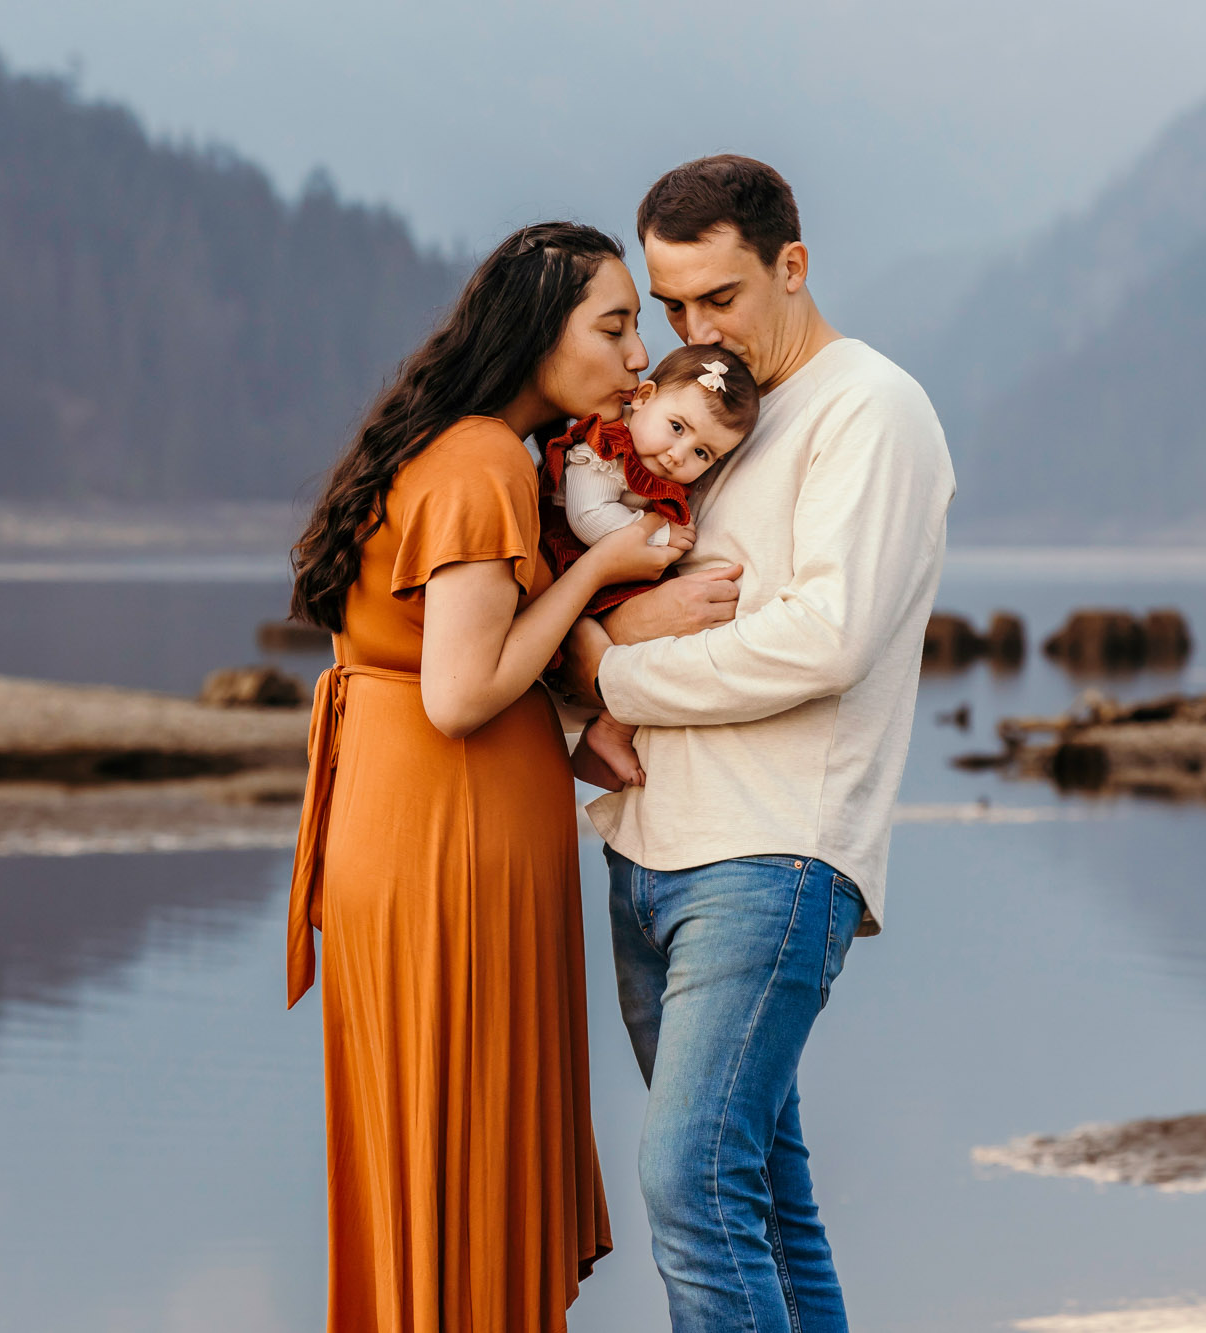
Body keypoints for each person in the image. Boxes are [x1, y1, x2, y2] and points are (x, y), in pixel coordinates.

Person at [562, 155, 955, 1331]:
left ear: (792, 265)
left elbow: (820, 641)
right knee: (761, 1195)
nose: (693, 332)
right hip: (652, 853)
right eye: (671, 306)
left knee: (687, 1179)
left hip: (770, 858)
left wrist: (609, 669)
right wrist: (596, 655)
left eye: (718, 298)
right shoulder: (720, 417)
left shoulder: (868, 407)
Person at [284, 221, 690, 1332]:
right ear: (532, 336)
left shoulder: (440, 447)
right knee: (463, 1147)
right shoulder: (483, 462)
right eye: (612, 326)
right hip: (447, 855)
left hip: (408, 824)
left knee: (431, 1149)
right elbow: (459, 695)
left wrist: (564, 731)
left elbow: (424, 655)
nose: (634, 359)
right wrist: (604, 564)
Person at [540, 342, 760, 786]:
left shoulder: (655, 465)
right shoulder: (602, 450)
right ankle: (606, 728)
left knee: (669, 636)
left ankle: (608, 731)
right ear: (642, 398)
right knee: (627, 647)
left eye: (703, 454)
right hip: (571, 565)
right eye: (677, 427)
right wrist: (656, 534)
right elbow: (586, 518)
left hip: (616, 571)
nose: (680, 454)